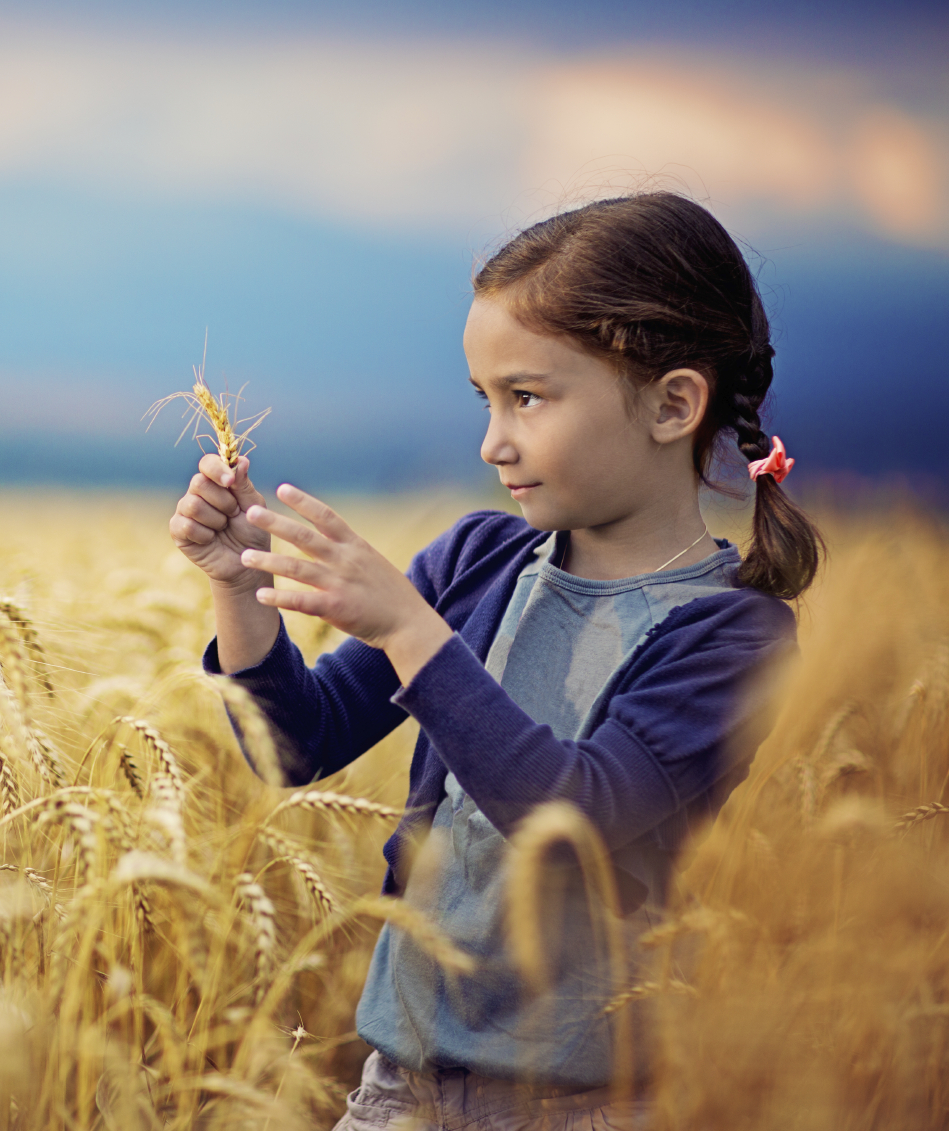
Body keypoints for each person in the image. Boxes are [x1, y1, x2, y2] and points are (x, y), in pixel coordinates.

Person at [168, 193, 820, 1130]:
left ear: (674, 403)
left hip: (593, 1105)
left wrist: (407, 630)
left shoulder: (728, 633)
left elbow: (579, 816)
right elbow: (299, 746)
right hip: (399, 1090)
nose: (493, 442)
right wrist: (236, 587)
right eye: (485, 400)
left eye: (528, 397)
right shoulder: (480, 562)